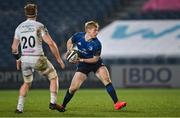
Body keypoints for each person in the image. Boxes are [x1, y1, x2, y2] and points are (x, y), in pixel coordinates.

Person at [58, 21, 126, 112]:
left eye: (97, 30)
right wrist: (69, 50)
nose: (97, 32)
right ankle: (63, 105)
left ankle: (117, 103)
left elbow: (95, 59)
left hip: (95, 64)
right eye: (95, 30)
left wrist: (81, 60)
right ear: (88, 30)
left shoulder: (97, 44)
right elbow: (69, 41)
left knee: (107, 79)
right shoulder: (78, 36)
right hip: (84, 66)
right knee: (73, 88)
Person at [11, 4, 65, 113]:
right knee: (53, 77)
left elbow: (13, 48)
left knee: (27, 83)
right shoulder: (39, 26)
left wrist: (18, 59)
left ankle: (19, 108)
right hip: (37, 58)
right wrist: (59, 59)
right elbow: (51, 43)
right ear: (36, 12)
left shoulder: (19, 27)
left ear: (25, 13)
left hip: (25, 59)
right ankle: (53, 103)